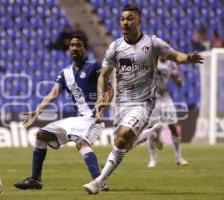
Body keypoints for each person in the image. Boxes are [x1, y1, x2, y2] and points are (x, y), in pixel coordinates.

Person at [83, 4, 203, 194]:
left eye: (130, 18)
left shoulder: (153, 43)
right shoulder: (115, 46)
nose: (125, 22)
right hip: (121, 103)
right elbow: (103, 75)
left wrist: (188, 58)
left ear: (139, 20)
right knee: (122, 144)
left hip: (143, 102)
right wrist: (101, 97)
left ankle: (99, 181)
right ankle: (150, 134)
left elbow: (175, 56)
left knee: (122, 139)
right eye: (122, 19)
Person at [13, 32, 113, 191]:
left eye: (78, 45)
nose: (74, 48)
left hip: (93, 119)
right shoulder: (65, 72)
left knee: (81, 143)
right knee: (41, 135)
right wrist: (36, 112)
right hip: (76, 120)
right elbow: (53, 93)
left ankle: (99, 181)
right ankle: (35, 179)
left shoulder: (94, 66)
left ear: (85, 49)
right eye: (72, 45)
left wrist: (102, 111)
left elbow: (109, 89)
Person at [147, 58, 188, 168]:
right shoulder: (151, 60)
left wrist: (177, 78)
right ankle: (153, 159)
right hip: (153, 98)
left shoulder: (171, 63)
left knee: (173, 126)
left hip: (165, 97)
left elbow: (179, 84)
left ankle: (179, 157)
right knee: (152, 128)